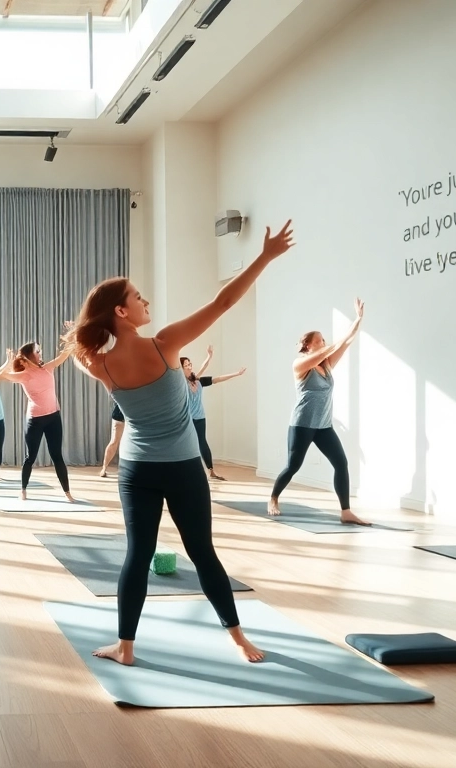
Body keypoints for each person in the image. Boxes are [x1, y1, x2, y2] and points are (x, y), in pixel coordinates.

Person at [68, 220, 299, 667]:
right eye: (137, 297)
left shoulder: (102, 365)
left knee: (137, 556)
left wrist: (80, 345)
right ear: (120, 311)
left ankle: (126, 648)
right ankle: (238, 639)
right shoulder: (164, 344)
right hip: (182, 467)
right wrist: (266, 256)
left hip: (136, 472)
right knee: (202, 553)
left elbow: (82, 360)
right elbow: (224, 301)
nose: (145, 300)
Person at [267, 300, 369, 525]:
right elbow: (334, 346)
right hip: (302, 424)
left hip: (323, 425)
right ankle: (273, 498)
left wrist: (357, 320)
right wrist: (338, 339)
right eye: (319, 340)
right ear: (308, 345)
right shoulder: (300, 364)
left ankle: (346, 511)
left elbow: (344, 344)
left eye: (324, 340)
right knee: (293, 466)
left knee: (341, 463)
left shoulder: (327, 364)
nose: (324, 342)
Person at [0, 331, 77, 502]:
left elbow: (65, 353)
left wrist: (73, 332)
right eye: (37, 351)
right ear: (28, 356)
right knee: (31, 457)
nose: (40, 354)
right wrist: (8, 362)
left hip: (54, 417)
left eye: (40, 351)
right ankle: (23, 489)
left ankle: (68, 493)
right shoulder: (23, 375)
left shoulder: (48, 368)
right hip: (35, 421)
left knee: (57, 455)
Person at [181, 346, 247, 481]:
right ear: (180, 369)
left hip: (200, 418)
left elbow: (217, 378)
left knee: (202, 443)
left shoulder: (198, 381)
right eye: (185, 365)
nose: (189, 367)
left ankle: (211, 471)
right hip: (187, 420)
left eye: (189, 364)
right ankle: (183, 473)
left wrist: (236, 374)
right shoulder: (180, 384)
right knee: (185, 444)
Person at [98, 402, 125, 478]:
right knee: (114, 441)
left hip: (134, 413)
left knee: (115, 442)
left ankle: (104, 468)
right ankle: (104, 468)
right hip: (121, 412)